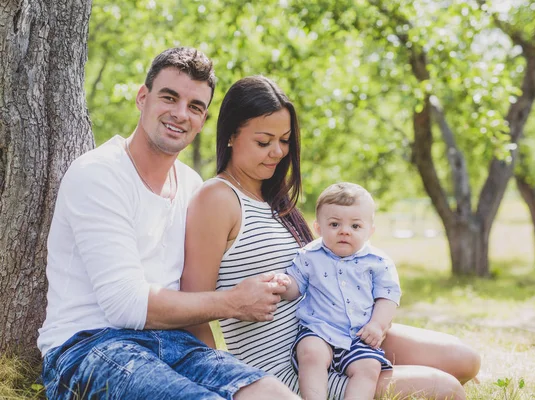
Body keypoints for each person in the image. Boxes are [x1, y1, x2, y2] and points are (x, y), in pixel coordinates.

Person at [181, 75, 480, 400]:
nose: (278, 152)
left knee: (465, 360)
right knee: (446, 389)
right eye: (264, 142)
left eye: (284, 140)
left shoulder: (273, 198)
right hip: (292, 367)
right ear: (230, 136)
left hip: (340, 331)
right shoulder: (216, 198)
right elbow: (193, 306)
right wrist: (218, 379)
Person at [38, 48, 299, 400]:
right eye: (169, 97)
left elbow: (192, 296)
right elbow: (126, 305)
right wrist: (233, 302)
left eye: (194, 106)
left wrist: (215, 357)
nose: (180, 114)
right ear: (142, 98)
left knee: (274, 395)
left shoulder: (191, 185)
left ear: (203, 120)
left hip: (173, 343)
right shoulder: (99, 174)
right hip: (90, 347)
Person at [274, 182, 401, 400]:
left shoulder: (378, 262)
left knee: (369, 367)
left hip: (358, 336)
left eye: (355, 226)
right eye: (334, 224)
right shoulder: (309, 256)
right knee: (310, 353)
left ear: (370, 231)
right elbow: (295, 287)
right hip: (319, 330)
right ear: (318, 228)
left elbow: (387, 297)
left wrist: (377, 325)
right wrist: (284, 284)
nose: (344, 231)